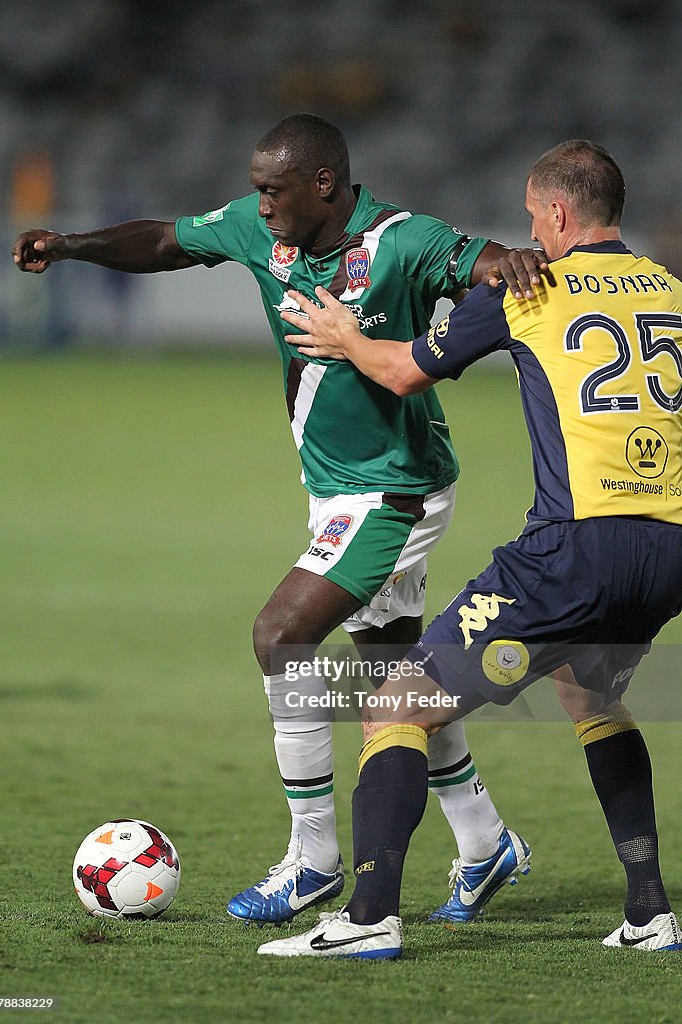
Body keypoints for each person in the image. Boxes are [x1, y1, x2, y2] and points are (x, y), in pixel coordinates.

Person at [12, 113, 545, 927]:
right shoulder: (265, 235)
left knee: (281, 635)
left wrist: (503, 261)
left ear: (322, 184)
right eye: (256, 189)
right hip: (335, 488)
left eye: (272, 190)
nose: (259, 206)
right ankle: (484, 841)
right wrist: (73, 244)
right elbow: (165, 241)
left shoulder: (400, 241)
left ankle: (313, 858)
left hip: (395, 489)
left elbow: (475, 261)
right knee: (392, 683)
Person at [260, 139, 682, 958]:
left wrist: (345, 335)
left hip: (574, 550)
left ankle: (367, 917)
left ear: (556, 214)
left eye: (532, 219)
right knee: (589, 694)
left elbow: (401, 371)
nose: (529, 237)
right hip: (667, 550)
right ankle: (648, 912)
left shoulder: (537, 290)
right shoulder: (672, 291)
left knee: (393, 704)